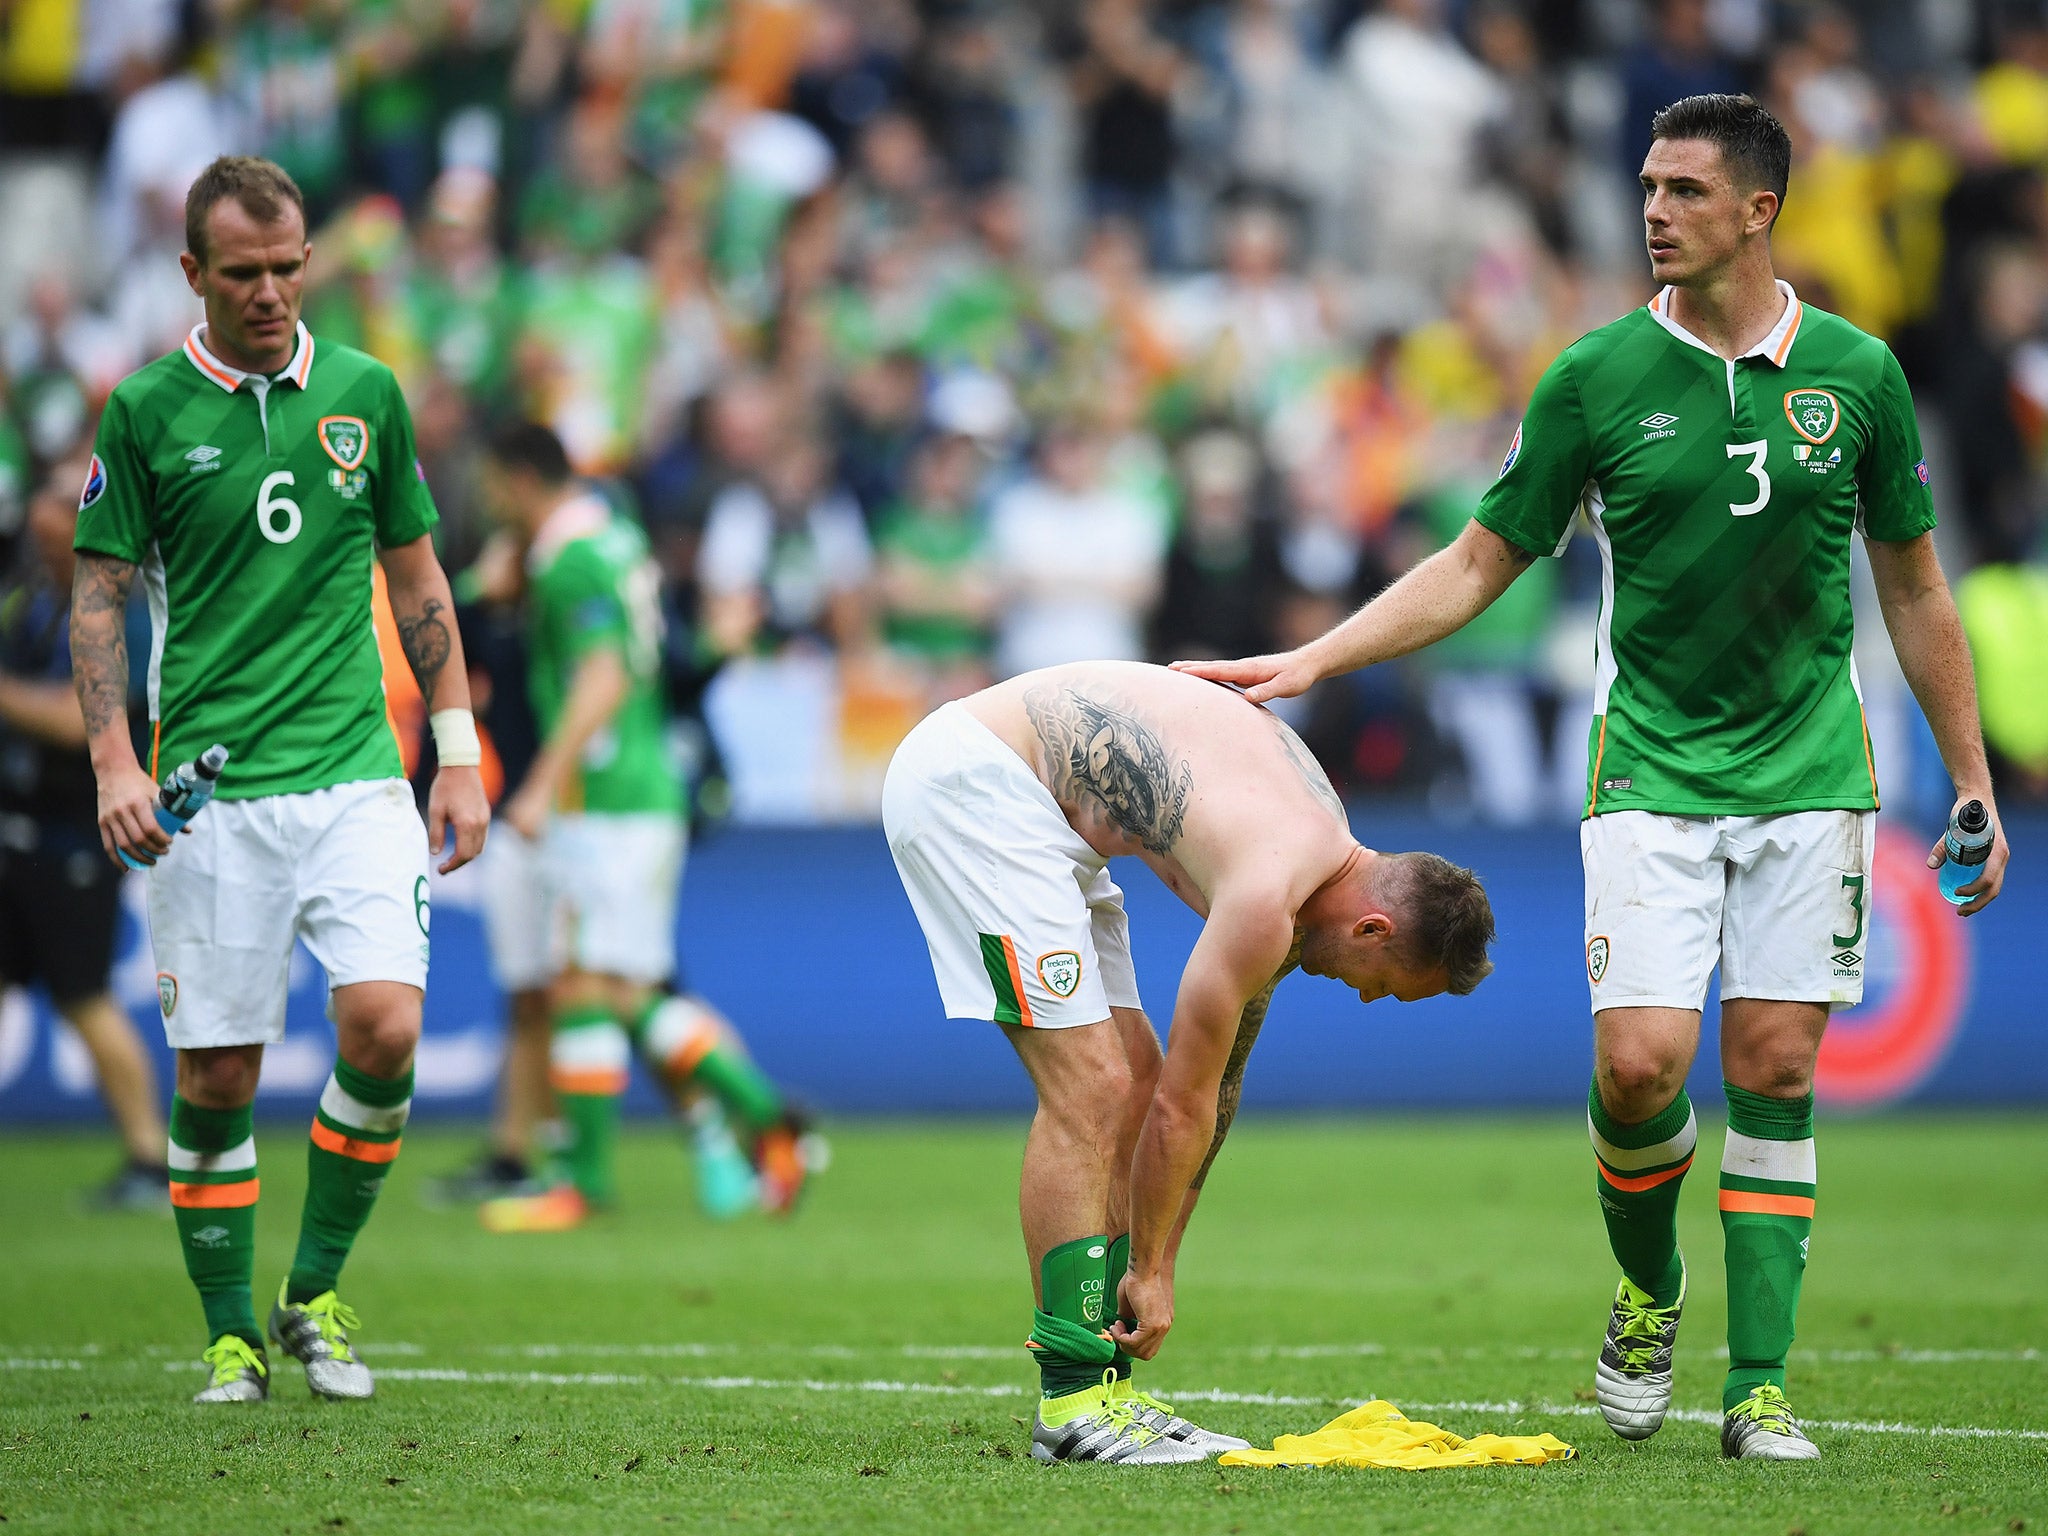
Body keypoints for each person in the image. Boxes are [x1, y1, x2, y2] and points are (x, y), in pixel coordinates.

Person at [1177, 95, 2011, 1462]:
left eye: (1685, 189)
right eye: (1646, 185)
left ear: (1759, 210)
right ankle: (1647, 1288)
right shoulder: (1594, 379)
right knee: (1639, 1071)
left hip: (1811, 764)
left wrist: (1970, 778)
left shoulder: (1858, 376)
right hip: (1652, 768)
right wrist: (1316, 659)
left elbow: (1914, 585)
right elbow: (1474, 562)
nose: (1654, 211)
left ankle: (1759, 1389)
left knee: (1778, 1060)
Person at [71, 156, 493, 1405]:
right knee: (218, 1075)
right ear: (192, 272)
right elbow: (97, 598)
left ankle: (312, 1295)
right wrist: (112, 760)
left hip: (356, 775)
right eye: (243, 273)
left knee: (388, 1025)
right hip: (207, 792)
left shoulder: (365, 393)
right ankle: (227, 1335)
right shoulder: (142, 412)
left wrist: (457, 756)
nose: (270, 293)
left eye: (288, 268)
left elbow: (418, 582)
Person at [882, 659, 1496, 1463]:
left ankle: (1101, 1392)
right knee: (1095, 1087)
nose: (1365, 998)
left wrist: (1159, 1260)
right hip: (979, 785)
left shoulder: (1315, 860)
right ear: (1374, 930)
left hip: (1047, 819)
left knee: (1132, 1075)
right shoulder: (1269, 893)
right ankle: (1072, 1404)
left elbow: (1218, 1085)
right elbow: (1187, 1105)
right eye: (1383, 986)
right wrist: (1148, 1269)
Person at [472, 423, 811, 1233]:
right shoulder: (615, 541)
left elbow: (603, 675)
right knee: (617, 988)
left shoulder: (575, 558)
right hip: (638, 794)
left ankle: (588, 1181)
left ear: (519, 479)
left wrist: (541, 784)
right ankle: (764, 1120)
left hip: (606, 799)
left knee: (589, 985)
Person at [0, 457, 166, 1209]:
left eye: (54, 526)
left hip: (78, 834)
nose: (41, 542)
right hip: (17, 828)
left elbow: (78, 722)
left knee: (84, 996)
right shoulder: (29, 600)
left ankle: (150, 1156)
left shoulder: (126, 610)